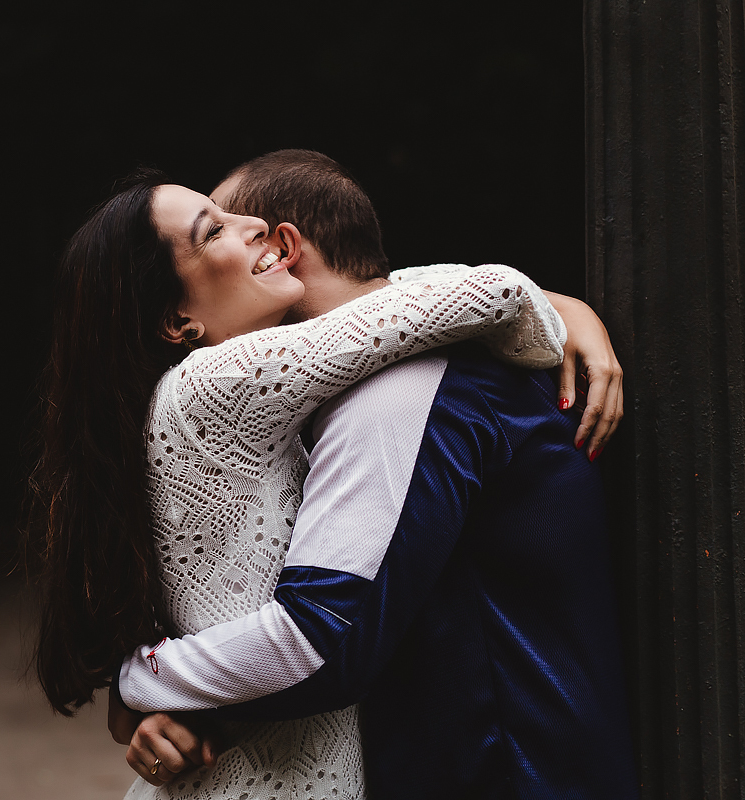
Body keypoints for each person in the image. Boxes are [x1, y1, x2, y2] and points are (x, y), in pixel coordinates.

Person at [110, 151, 636, 799]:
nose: (239, 227)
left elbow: (321, 645)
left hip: (504, 768)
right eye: (216, 226)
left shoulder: (389, 400)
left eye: (237, 221)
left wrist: (140, 681)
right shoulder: (464, 353)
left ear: (282, 248)